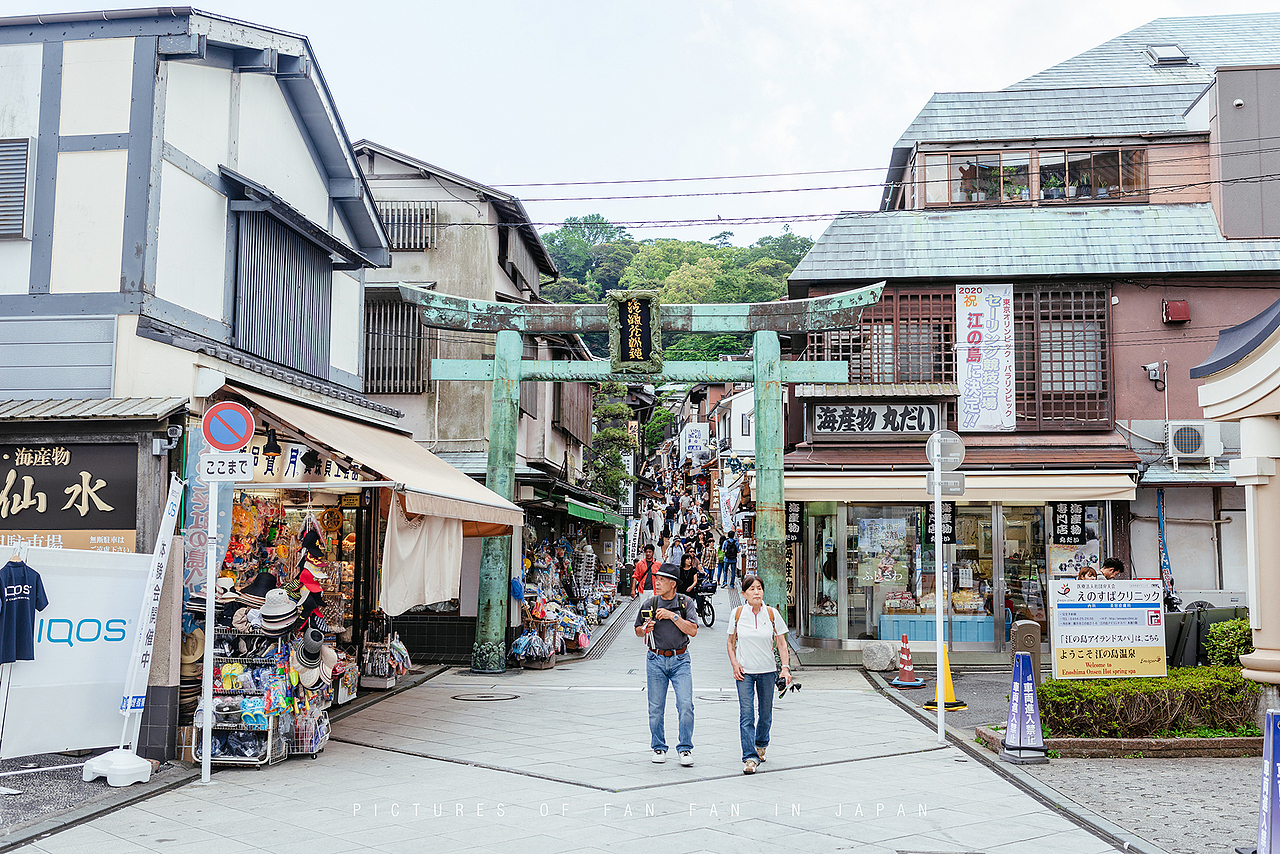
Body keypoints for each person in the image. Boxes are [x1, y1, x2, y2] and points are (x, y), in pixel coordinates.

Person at [634, 564, 699, 766]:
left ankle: (685, 748)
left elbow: (693, 630)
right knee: (655, 707)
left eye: (662, 580)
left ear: (673, 584)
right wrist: (645, 629)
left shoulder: (685, 603)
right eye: (657, 579)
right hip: (655, 659)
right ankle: (658, 747)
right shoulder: (650, 603)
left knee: (686, 705)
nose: (658, 583)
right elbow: (637, 630)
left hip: (680, 659)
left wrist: (673, 616)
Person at [726, 574, 790, 775]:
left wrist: (785, 668)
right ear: (744, 593)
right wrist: (734, 663)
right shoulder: (737, 614)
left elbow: (782, 643)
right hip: (744, 672)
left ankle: (761, 743)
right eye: (752, 589)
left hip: (767, 671)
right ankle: (749, 757)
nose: (756, 592)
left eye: (759, 588)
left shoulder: (771, 614)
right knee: (747, 714)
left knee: (765, 713)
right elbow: (730, 642)